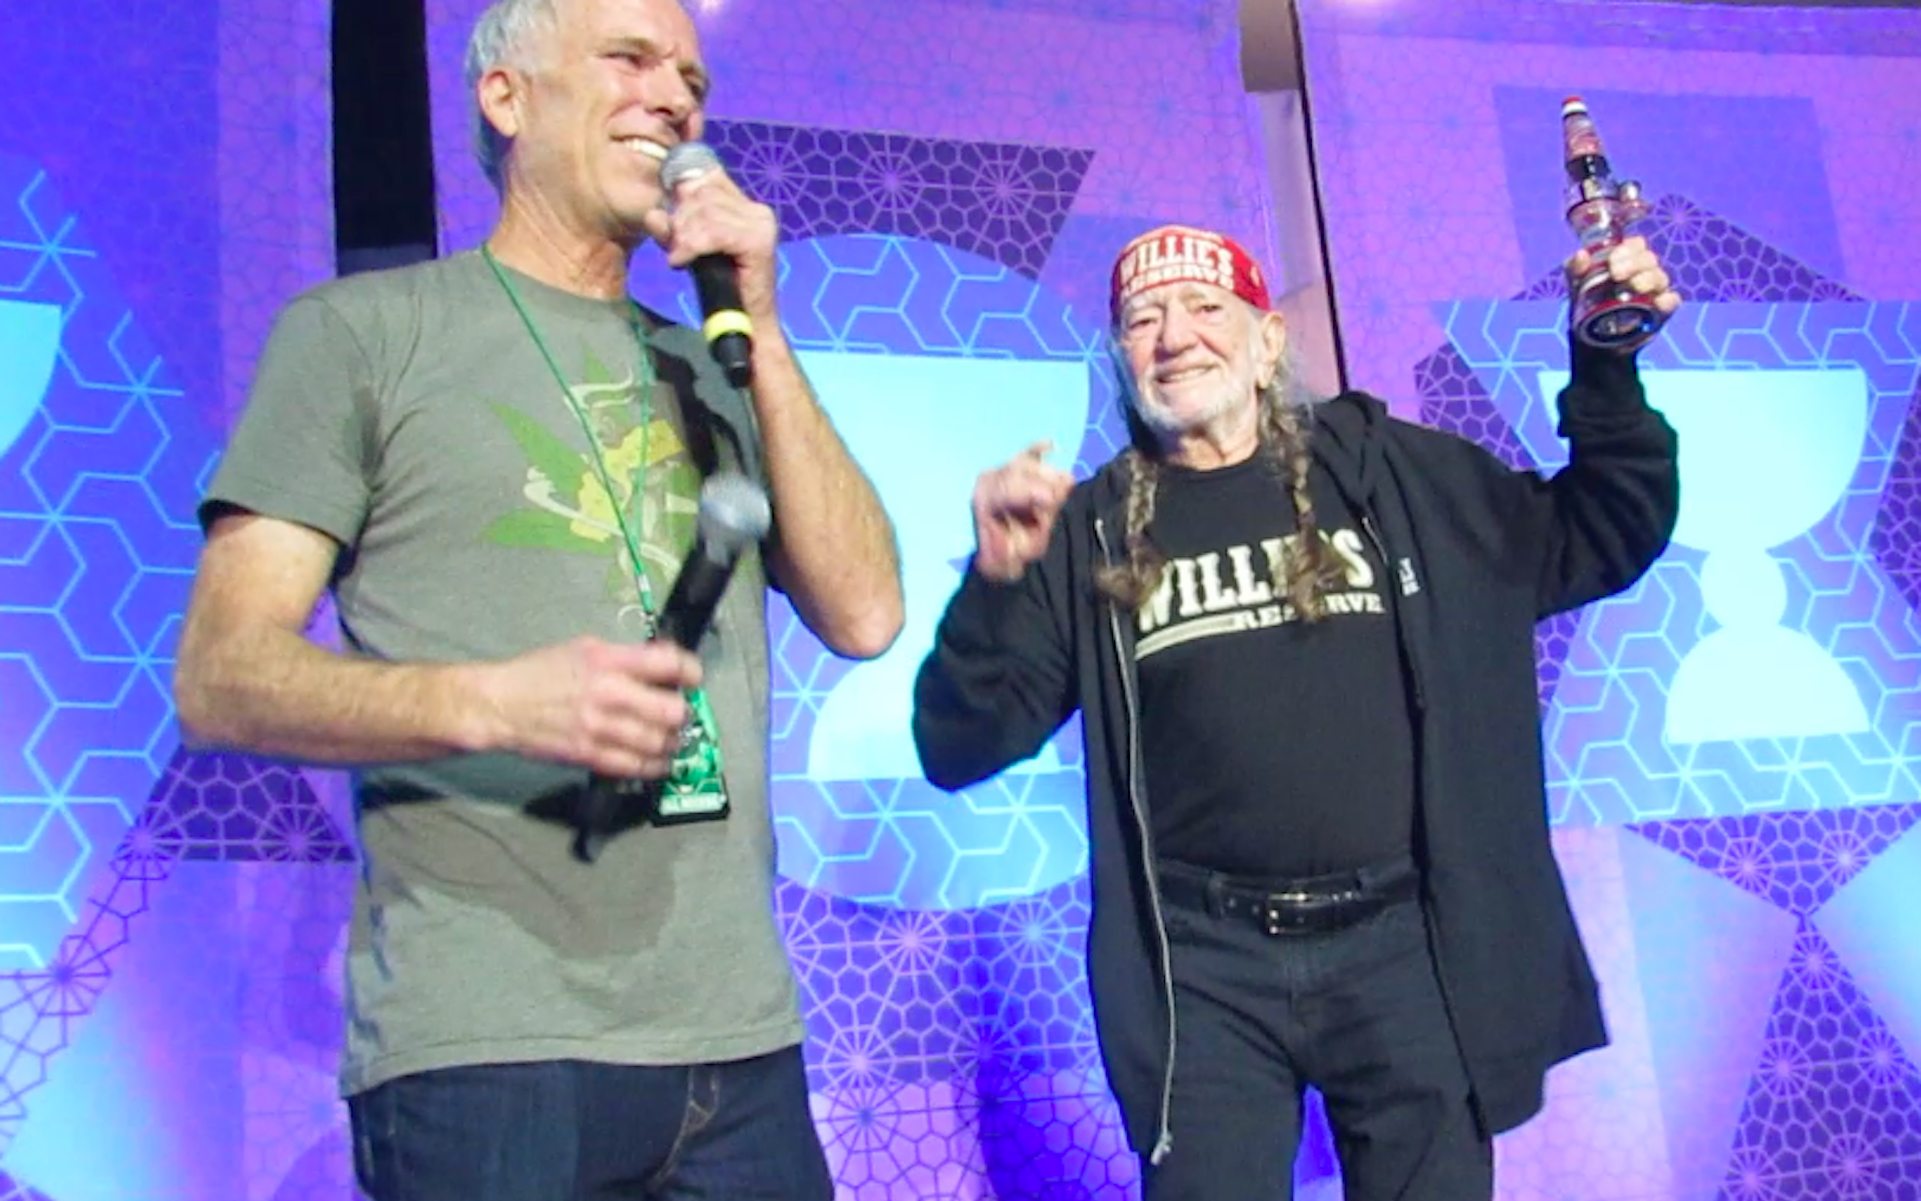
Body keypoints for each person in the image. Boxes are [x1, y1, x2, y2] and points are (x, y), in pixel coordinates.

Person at [172, 0, 902, 1195]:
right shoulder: (363, 334)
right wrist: (494, 704)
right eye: (628, 58)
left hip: (739, 1046)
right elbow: (220, 673)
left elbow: (867, 612)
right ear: (506, 99)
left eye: (691, 79)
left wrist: (760, 320)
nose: (674, 98)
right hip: (488, 1049)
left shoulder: (711, 360)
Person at [912, 223, 1680, 1200]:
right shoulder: (1090, 527)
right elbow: (956, 743)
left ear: (1267, 341)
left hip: (1407, 945)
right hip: (1203, 969)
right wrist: (992, 580)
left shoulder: (1398, 479)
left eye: (1202, 308)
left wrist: (1605, 363)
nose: (1173, 336)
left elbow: (1607, 526)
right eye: (1142, 319)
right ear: (1118, 355)